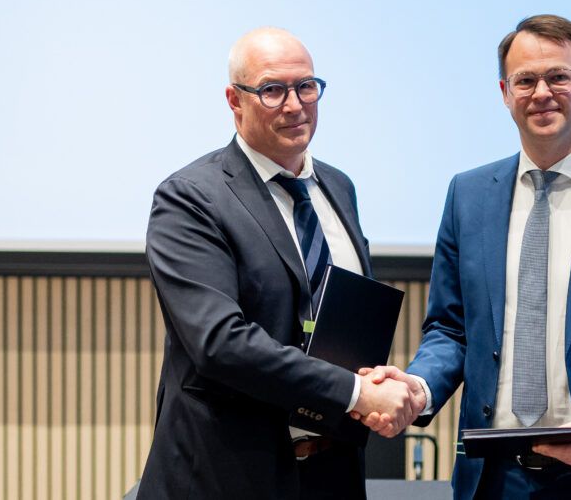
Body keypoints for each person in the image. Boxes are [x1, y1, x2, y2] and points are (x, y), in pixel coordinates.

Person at [363, 15, 571, 498]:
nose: (541, 92)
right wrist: (418, 388)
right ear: (505, 93)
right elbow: (451, 329)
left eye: (558, 77)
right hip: (494, 479)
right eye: (525, 80)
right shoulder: (468, 195)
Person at [137, 27, 418, 499]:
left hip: (333, 470)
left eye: (306, 86)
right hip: (228, 476)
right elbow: (220, 343)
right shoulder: (190, 198)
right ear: (234, 99)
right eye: (272, 90)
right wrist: (355, 391)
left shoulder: (338, 187)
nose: (294, 104)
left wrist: (377, 379)